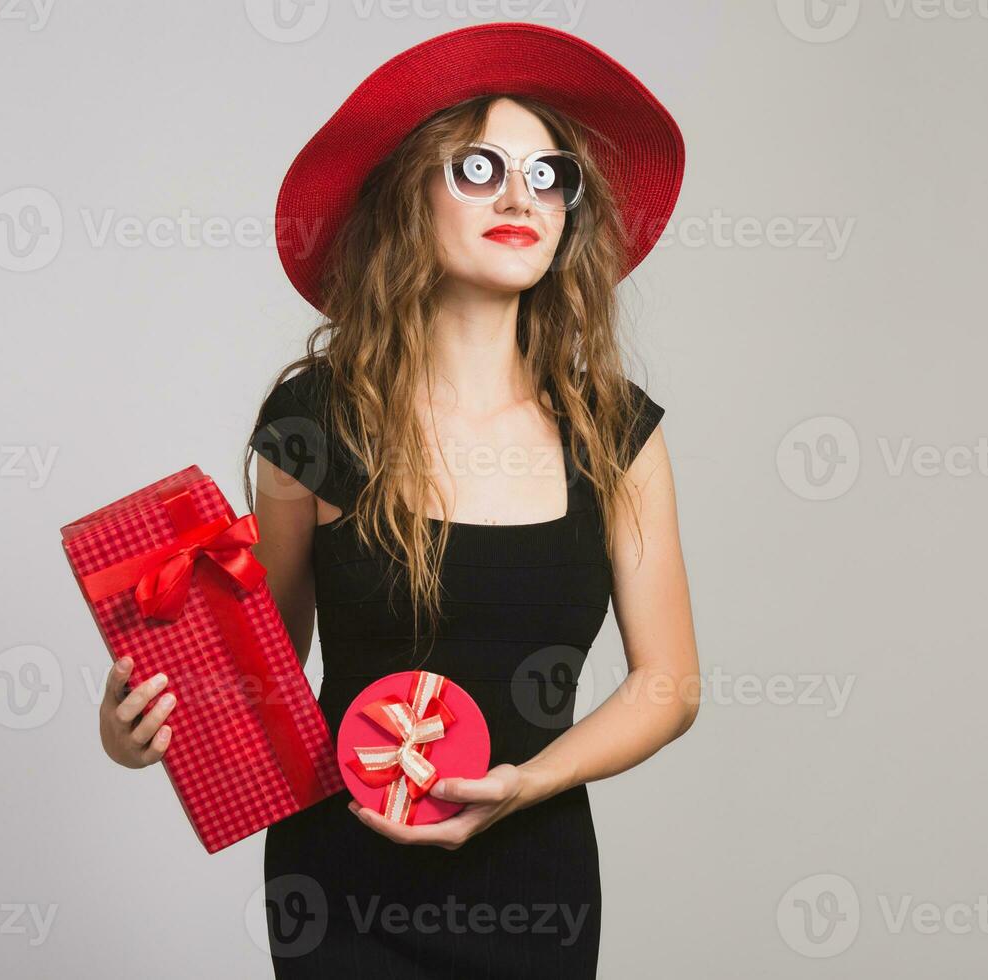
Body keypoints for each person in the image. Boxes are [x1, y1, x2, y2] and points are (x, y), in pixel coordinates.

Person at [101, 23, 701, 978]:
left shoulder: (614, 431)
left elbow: (669, 686)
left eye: (550, 176)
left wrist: (526, 783)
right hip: (338, 888)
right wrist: (141, 726)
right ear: (407, 192)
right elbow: (268, 668)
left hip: (533, 887)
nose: (520, 197)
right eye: (479, 168)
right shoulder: (313, 423)